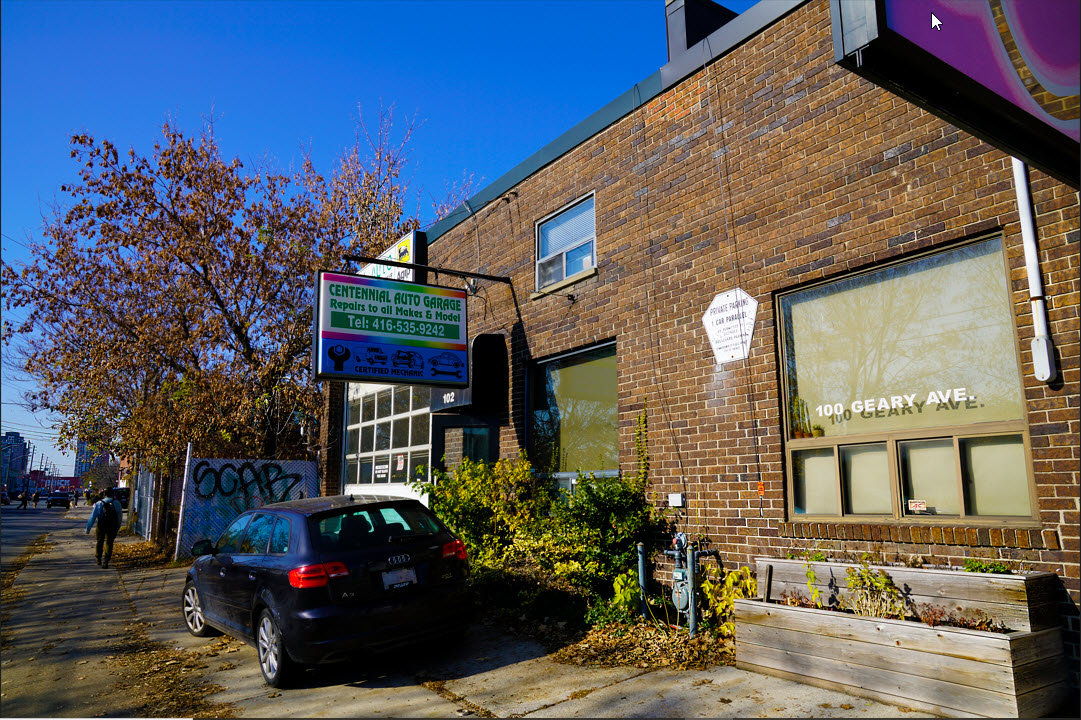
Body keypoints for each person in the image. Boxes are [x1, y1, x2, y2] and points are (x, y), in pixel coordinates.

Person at [86, 488, 123, 568]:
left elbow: (93, 517)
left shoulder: (99, 503)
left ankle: (98, 558)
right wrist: (118, 526)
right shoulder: (116, 503)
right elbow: (119, 517)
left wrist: (88, 528)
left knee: (99, 542)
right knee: (109, 543)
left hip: (101, 524)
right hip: (112, 525)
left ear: (104, 494)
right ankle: (106, 561)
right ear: (113, 494)